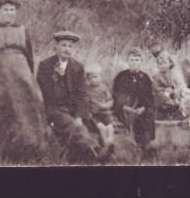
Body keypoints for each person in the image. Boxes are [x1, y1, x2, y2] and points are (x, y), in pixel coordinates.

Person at [0, 0, 47, 162]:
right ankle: (4, 153)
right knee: (3, 112)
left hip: (21, 77)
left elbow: (29, 56)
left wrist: (30, 79)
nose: (10, 13)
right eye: (6, 10)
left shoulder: (22, 29)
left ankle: (30, 149)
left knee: (28, 110)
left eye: (12, 10)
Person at [36, 31, 110, 163]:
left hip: (74, 109)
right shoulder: (45, 65)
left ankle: (101, 150)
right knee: (74, 128)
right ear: (56, 47)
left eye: (70, 46)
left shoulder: (77, 67)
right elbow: (45, 93)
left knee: (92, 126)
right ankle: (94, 155)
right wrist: (56, 77)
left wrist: (79, 115)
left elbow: (82, 95)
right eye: (63, 45)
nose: (66, 49)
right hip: (55, 109)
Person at [112, 48, 156, 151]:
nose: (134, 62)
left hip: (140, 108)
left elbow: (149, 97)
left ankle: (145, 146)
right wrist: (129, 109)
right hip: (124, 108)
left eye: (137, 60)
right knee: (128, 119)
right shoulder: (121, 76)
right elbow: (117, 96)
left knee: (147, 116)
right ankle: (132, 146)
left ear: (141, 61)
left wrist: (143, 108)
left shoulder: (145, 77)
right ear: (127, 61)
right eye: (132, 59)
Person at [84, 63, 117, 148]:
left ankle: (110, 144)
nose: (93, 80)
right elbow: (85, 103)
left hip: (104, 113)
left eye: (95, 77)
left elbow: (110, 100)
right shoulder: (87, 89)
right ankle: (105, 145)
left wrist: (106, 105)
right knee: (102, 128)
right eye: (90, 78)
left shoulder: (103, 87)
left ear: (101, 76)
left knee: (110, 128)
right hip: (94, 115)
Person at [153, 50, 187, 121]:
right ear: (158, 66)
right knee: (163, 95)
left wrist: (176, 90)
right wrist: (164, 89)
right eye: (160, 64)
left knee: (180, 95)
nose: (163, 65)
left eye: (165, 63)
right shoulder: (157, 76)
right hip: (163, 93)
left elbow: (178, 84)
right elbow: (155, 87)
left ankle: (178, 110)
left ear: (170, 63)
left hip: (173, 92)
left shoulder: (173, 73)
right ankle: (170, 106)